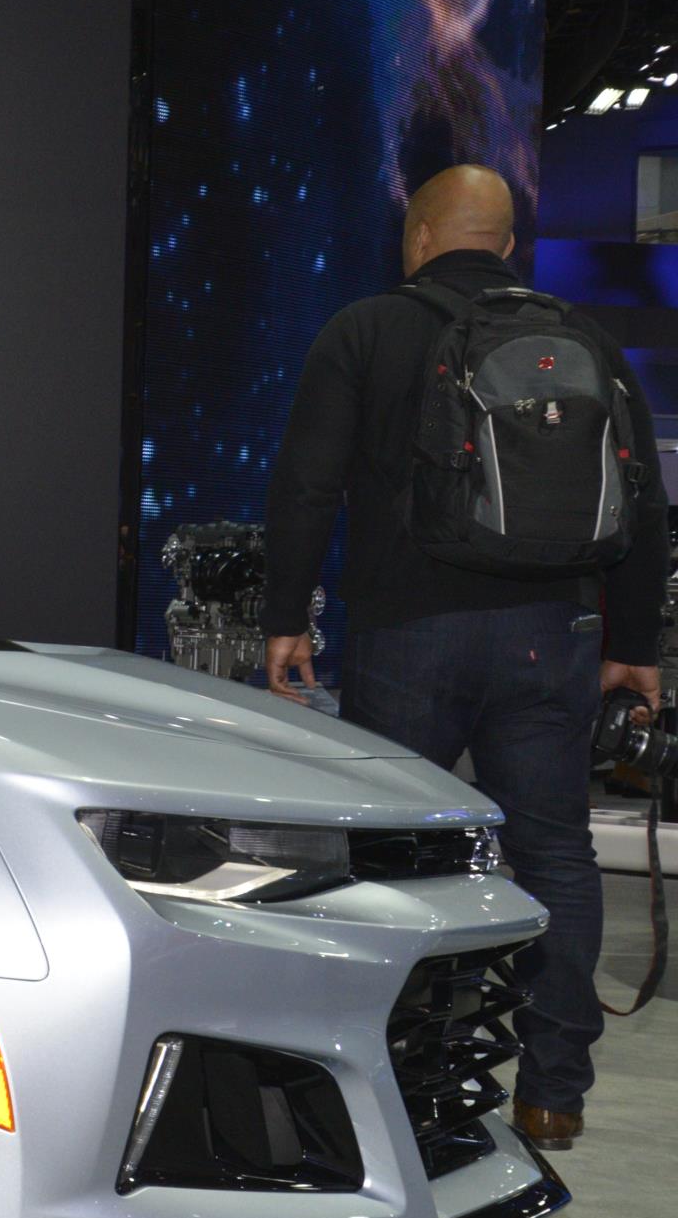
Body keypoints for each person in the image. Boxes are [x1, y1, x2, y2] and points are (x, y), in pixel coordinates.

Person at [262, 163, 668, 1152]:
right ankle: (550, 1089)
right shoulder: (585, 342)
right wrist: (632, 649)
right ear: (505, 244)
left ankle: (401, 1071)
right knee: (556, 859)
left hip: (409, 633)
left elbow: (305, 485)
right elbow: (642, 507)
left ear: (416, 235)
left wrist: (284, 618)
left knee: (396, 859)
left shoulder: (362, 330)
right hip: (553, 635)